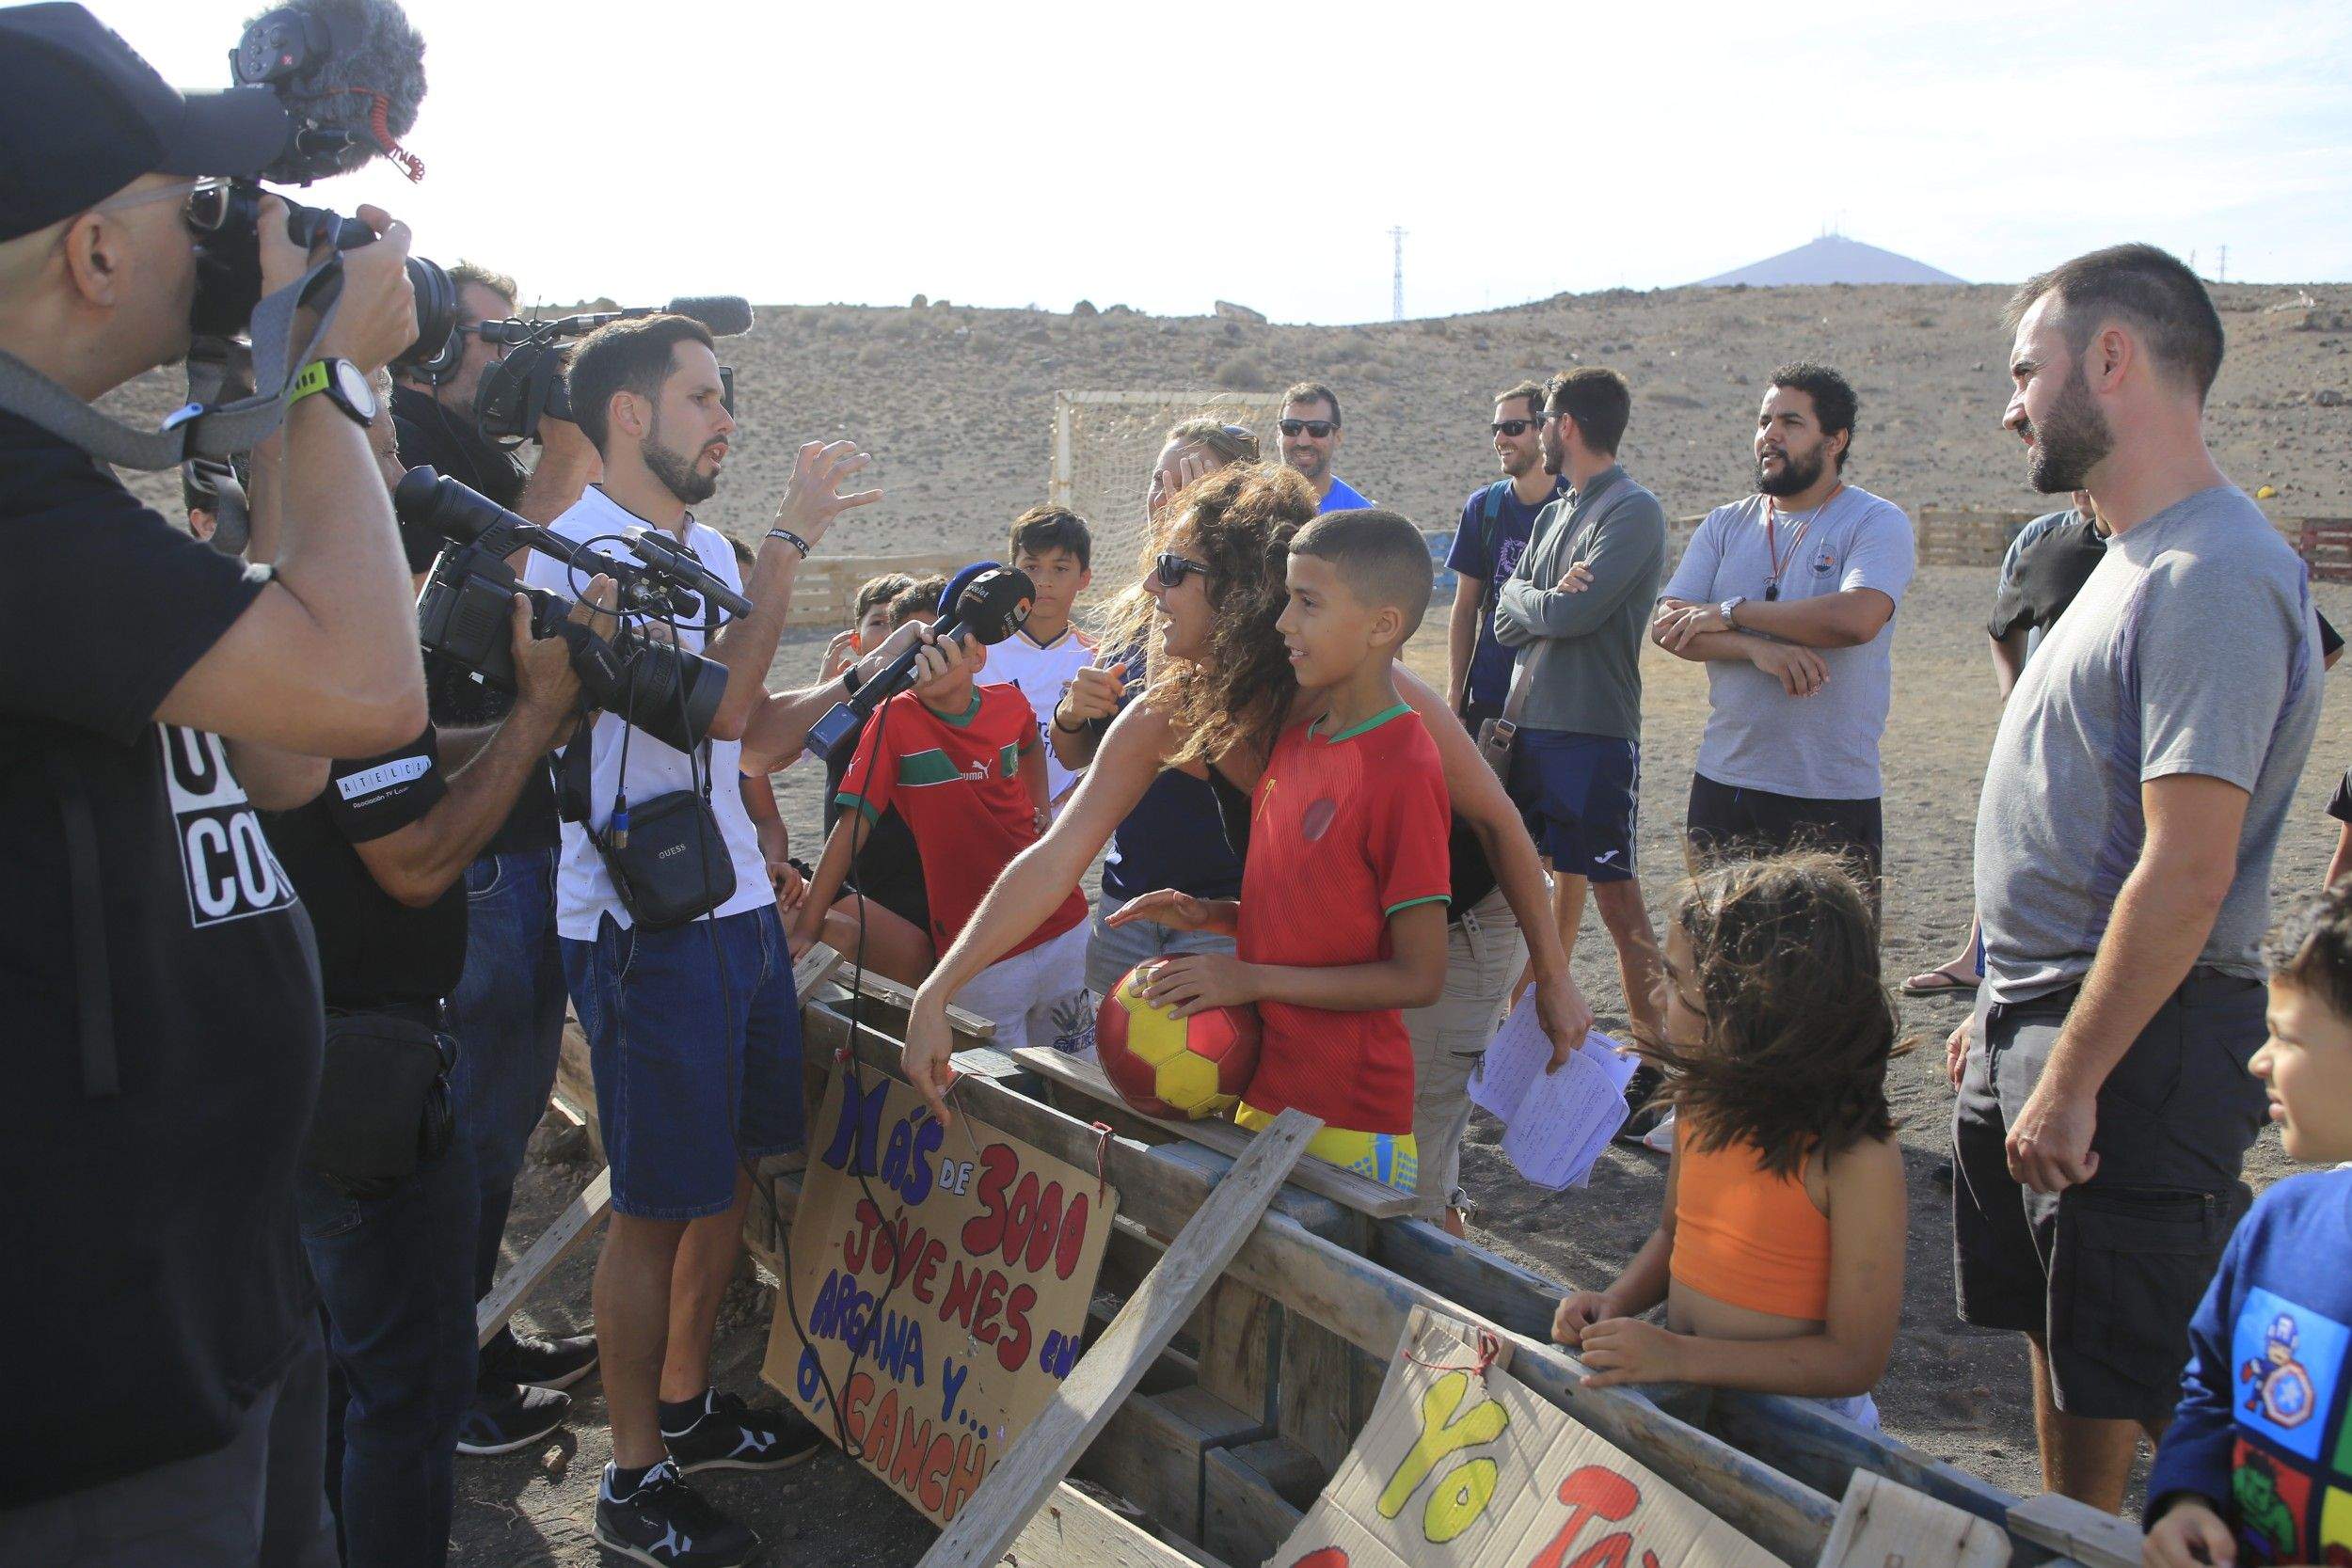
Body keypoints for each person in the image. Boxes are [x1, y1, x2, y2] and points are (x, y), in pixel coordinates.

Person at [0, 8, 426, 1559]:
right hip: (79, 1383)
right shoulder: (10, 508)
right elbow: (370, 693)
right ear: (95, 256)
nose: (230, 246)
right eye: (197, 211)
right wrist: (313, 376)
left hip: (213, 1318)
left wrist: (261, 416)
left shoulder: (59, 496)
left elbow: (284, 757)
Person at [898, 466, 1592, 1180]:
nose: (1149, 591)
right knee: (1307, 1162)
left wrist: (1553, 976)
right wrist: (938, 990)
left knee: (1399, 1172)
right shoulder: (1175, 709)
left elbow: (1502, 827)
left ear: (1241, 589)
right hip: (1334, 947)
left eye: (1172, 570)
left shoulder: (1368, 703)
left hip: (1455, 928)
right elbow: (1054, 858)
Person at [1953, 244, 2325, 1513]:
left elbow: (2187, 866)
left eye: (2027, 370)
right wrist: (1999, 1005)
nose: (2011, 405)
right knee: (2070, 1347)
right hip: (2052, 1012)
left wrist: (2068, 1073)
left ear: (2111, 358)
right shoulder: (2124, 556)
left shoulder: (2213, 570)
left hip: (2134, 1039)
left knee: (2142, 1382)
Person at [523, 313, 880, 1566]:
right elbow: (721, 697)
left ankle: (684, 1401)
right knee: (653, 1205)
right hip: (644, 923)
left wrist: (871, 673)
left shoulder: (709, 542)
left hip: (730, 905)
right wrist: (788, 540)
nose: (725, 418)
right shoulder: (576, 554)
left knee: (727, 1168)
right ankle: (630, 1477)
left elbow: (748, 737)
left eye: (724, 396)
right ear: (630, 413)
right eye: (700, 398)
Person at [260, 376, 596, 1563]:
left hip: (318, 1056)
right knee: (407, 1391)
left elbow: (388, 769)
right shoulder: (337, 644)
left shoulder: (275, 618)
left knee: (338, 1373)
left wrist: (533, 724)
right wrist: (532, 719)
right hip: (364, 1078)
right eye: (380, 439)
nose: (401, 462)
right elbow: (411, 857)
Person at [389, 259, 604, 1454]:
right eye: (493, 344)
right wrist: (568, 425)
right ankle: (446, 1374)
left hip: (513, 817)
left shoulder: (454, 446)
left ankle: (475, 1330)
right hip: (473, 817)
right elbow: (512, 556)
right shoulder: (411, 448)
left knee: (508, 1104)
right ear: (433, 355)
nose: (511, 367)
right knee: (475, 1107)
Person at [1104, 507, 1452, 1187]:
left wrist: (1249, 977)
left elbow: (1417, 974)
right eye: (1287, 598)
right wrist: (1215, 915)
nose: (1285, 622)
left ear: (1384, 625)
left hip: (1352, 1128)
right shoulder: (1297, 738)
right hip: (1264, 1103)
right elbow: (1327, 918)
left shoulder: (1405, 765)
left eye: (1308, 603)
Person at [1550, 853, 1904, 1427]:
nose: (1658, 999)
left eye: (1674, 977)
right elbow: (1672, 1235)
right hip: (1696, 1397)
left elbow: (1854, 1359)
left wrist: (1680, 1356)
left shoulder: (1853, 1153)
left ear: (1748, 1001)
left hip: (1807, 1427)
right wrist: (1615, 1304)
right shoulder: (1698, 1101)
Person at [1652, 364, 1916, 919]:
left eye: (1790, 422)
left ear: (1835, 439)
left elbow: (1857, 617)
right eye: (1764, 420)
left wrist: (1731, 614)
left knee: (1830, 985)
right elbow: (1669, 623)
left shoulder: (1873, 521)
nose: (1769, 434)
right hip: (1726, 783)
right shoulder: (1725, 524)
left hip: (1830, 792)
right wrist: (1755, 648)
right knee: (1715, 971)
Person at [2140, 883, 2352, 1568]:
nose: (2259, 1060)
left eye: (2285, 1035)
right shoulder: (2277, 1223)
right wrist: (2186, 1498)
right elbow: (2214, 1384)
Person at [792, 619, 1096, 1053]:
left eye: (951, 643)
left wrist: (1039, 808)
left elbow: (1029, 740)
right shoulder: (892, 720)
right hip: (976, 946)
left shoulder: (1009, 701)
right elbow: (848, 830)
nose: (932, 654)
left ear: (979, 657)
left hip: (1061, 923)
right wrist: (806, 928)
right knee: (996, 1088)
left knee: (1079, 1065)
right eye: (921, 648)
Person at [1495, 367, 1669, 1058]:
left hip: (1594, 737)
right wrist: (1537, 603)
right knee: (1514, 897)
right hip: (1527, 731)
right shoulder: (1557, 512)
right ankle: (1513, 1042)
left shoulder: (1633, 510)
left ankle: (1659, 1058)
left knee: (1616, 899)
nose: (1534, 434)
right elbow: (1505, 617)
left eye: (1539, 422)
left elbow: (1573, 611)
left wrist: (1534, 603)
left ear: (1563, 425)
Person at [1055, 420, 1254, 1000]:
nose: (1163, 498)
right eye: (1157, 480)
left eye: (1190, 482)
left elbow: (1197, 735)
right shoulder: (1137, 607)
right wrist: (1072, 714)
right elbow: (1086, 755)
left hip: (1223, 909)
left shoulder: (1258, 618)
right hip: (1128, 896)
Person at [1903, 491, 2102, 997]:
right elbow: (2004, 621)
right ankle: (1979, 956)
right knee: (2008, 826)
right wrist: (2014, 695)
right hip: (2041, 731)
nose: (2080, 492)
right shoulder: (2043, 539)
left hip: (2112, 745)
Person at [1447, 379, 1568, 733]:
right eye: (1496, 429)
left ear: (1545, 430)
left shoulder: (1575, 504)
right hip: (1489, 695)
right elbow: (1465, 606)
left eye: (1513, 428)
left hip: (1554, 701)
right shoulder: (1485, 506)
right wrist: (1455, 694)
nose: (1501, 439)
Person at [987, 504, 1096, 805]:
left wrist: (1071, 797)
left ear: (1084, 578)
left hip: (1056, 828)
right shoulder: (979, 649)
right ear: (1011, 573)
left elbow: (1112, 751)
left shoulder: (1097, 659)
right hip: (982, 820)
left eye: (1060, 569)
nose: (1044, 581)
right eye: (1031, 567)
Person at [1278, 381, 1374, 513]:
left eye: (1317, 429)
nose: (1303, 441)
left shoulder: (1361, 519)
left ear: (1338, 437)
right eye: (1291, 427)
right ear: (1278, 434)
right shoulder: (1251, 507)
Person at [818, 570, 915, 682]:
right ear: (856, 643)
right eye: (878, 623)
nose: (892, 634)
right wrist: (825, 689)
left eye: (905, 623)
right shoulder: (845, 694)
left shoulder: (932, 693)